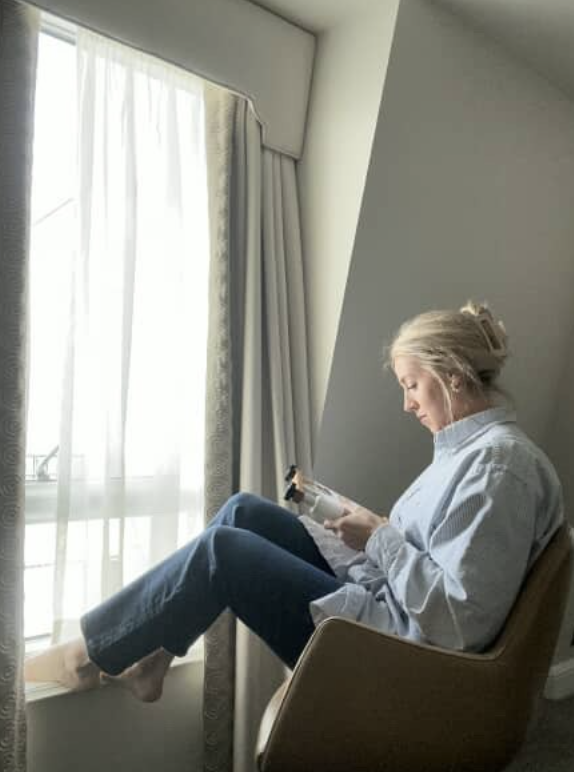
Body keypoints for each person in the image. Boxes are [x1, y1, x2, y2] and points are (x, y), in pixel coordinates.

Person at [24, 300, 564, 702]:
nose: (406, 404)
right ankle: (155, 655)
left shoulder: (499, 468)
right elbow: (422, 563)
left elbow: (458, 621)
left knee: (224, 551)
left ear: (451, 375)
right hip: (393, 617)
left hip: (401, 660)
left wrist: (378, 535)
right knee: (242, 510)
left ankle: (88, 654)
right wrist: (356, 526)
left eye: (413, 385)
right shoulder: (464, 455)